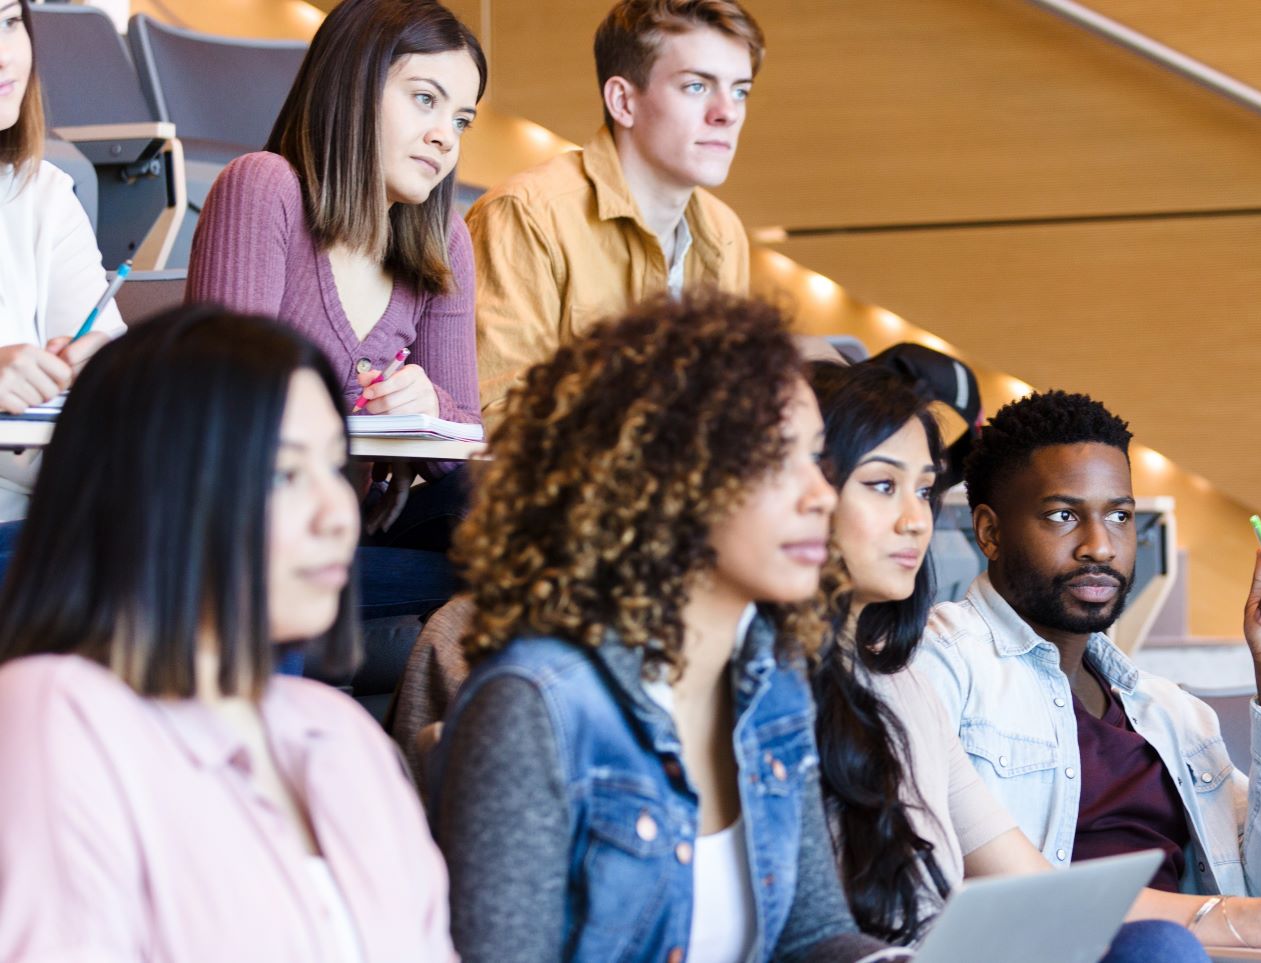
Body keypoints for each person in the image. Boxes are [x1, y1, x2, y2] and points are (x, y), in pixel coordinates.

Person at [809, 363, 1261, 958]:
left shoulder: (1171, 711)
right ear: (988, 532)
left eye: (1119, 515)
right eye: (1063, 515)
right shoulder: (934, 664)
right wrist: (1241, 921)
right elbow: (972, 908)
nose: (1100, 545)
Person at [431, 292, 902, 963]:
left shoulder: (773, 672)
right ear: (663, 476)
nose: (821, 494)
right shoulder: (536, 705)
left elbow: (809, 932)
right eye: (774, 458)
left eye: (816, 455)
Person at [0, 305, 455, 960]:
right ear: (156, 492)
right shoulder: (60, 713)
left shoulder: (344, 734)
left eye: (335, 469)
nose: (337, 515)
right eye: (283, 474)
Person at [187, 0, 484, 550]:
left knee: (515, 499)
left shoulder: (444, 238)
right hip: (248, 535)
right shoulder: (264, 187)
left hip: (358, 530)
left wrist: (430, 408)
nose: (447, 137)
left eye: (461, 120)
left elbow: (462, 446)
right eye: (425, 100)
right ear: (353, 87)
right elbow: (224, 406)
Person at [466, 0, 757, 417]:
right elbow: (498, 417)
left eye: (740, 91)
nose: (727, 113)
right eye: (696, 86)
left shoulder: (724, 231)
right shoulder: (528, 213)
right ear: (623, 101)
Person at [0, 0, 123, 522]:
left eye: (8, 22)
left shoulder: (40, 189)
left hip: (56, 518)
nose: (5, 57)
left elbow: (104, 352)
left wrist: (91, 365)